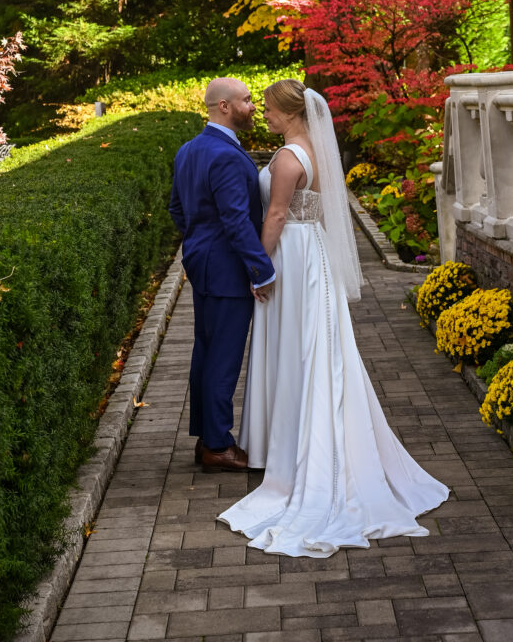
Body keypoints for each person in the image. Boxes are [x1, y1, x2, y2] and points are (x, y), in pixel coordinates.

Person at [218, 79, 449, 556]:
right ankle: (304, 438)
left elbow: (277, 215)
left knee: (296, 348)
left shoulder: (287, 157)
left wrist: (258, 269)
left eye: (269, 109)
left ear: (290, 111)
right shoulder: (316, 150)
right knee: (318, 346)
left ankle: (297, 450)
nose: (264, 115)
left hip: (291, 254)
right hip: (313, 255)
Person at [168, 77, 275, 473]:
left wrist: (198, 241)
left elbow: (177, 209)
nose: (253, 107)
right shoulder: (227, 155)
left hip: (203, 263)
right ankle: (216, 444)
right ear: (225, 107)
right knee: (223, 357)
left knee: (207, 351)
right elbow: (236, 220)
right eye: (247, 101)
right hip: (227, 269)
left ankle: (207, 437)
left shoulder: (189, 149)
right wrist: (261, 269)